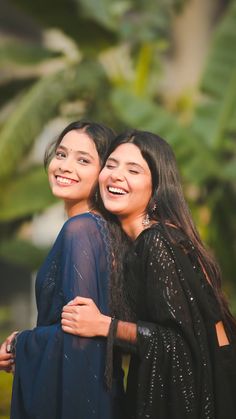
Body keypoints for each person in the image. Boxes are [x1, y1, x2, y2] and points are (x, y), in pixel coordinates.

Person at [62, 129, 236, 419]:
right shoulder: (158, 239)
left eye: (134, 169)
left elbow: (181, 343)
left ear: (156, 188)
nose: (116, 175)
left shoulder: (156, 242)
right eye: (112, 164)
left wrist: (106, 325)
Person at [3, 120, 126, 419]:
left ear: (103, 174)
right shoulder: (100, 229)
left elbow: (79, 341)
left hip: (80, 400)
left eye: (83, 160)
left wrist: (21, 343)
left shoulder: (81, 229)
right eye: (61, 154)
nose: (65, 166)